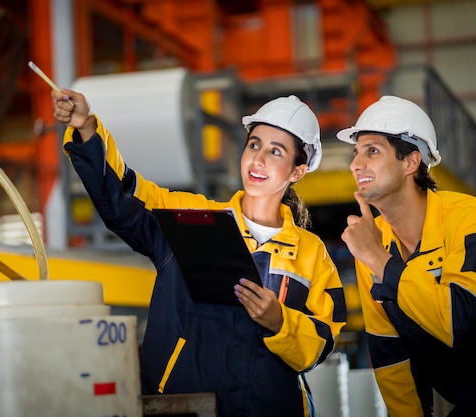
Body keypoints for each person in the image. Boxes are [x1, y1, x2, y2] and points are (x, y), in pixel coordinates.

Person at [52, 89, 347, 417]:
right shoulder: (189, 218)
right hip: (182, 408)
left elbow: (322, 342)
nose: (258, 159)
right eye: (254, 144)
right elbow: (123, 195)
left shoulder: (312, 254)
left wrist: (280, 322)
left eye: (276, 151)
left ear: (297, 172)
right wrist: (87, 129)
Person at [337, 95, 476, 416]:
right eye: (356, 153)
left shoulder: (475, 219)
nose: (355, 164)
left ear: (410, 161)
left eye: (372, 151)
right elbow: (390, 356)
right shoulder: (375, 244)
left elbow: (458, 321)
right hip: (473, 405)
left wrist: (379, 259)